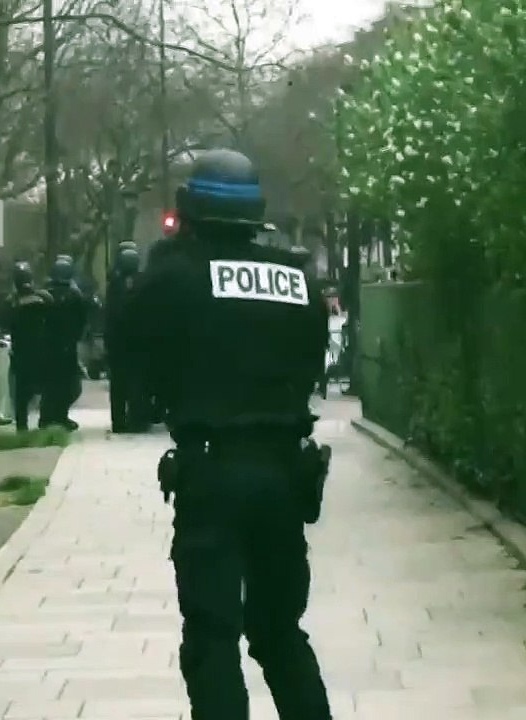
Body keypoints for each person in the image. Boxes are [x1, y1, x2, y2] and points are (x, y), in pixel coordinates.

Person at [126, 148, 331, 719]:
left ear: (190, 211)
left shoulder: (174, 275)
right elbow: (312, 361)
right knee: (280, 632)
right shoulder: (295, 277)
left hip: (212, 472)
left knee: (213, 639)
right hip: (285, 473)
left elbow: (131, 352)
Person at [0, 261, 52, 432]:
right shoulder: (43, 298)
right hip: (41, 350)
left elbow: (2, 323)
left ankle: (22, 426)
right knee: (45, 388)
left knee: (21, 394)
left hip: (20, 352)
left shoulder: (11, 302)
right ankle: (45, 422)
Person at [40, 255, 88, 430]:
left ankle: (47, 417)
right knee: (66, 385)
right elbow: (82, 320)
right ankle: (60, 416)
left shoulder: (45, 294)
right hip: (67, 347)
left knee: (50, 384)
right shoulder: (75, 295)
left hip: (49, 346)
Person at [106, 246, 148, 433]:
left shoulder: (114, 285)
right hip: (138, 343)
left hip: (118, 343)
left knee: (118, 385)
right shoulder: (143, 283)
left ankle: (119, 421)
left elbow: (109, 313)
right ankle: (137, 420)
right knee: (137, 383)